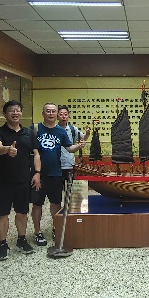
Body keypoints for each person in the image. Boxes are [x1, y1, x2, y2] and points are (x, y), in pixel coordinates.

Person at [0, 101, 41, 261]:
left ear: (21, 113)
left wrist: (37, 172)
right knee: (2, 214)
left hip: (23, 180)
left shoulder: (28, 133)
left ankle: (21, 239)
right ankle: (2, 244)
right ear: (5, 114)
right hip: (3, 181)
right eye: (11, 111)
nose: (15, 113)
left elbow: (36, 153)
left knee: (22, 212)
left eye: (18, 110)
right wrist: (7, 149)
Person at [31, 103, 85, 246]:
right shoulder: (35, 129)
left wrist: (79, 145)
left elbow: (69, 148)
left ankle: (56, 228)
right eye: (48, 111)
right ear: (43, 113)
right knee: (37, 204)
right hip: (38, 174)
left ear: (56, 114)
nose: (51, 114)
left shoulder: (61, 131)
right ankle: (37, 232)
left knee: (56, 203)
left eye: (53, 111)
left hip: (56, 173)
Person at [57, 105, 90, 185]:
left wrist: (87, 134)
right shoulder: (54, 129)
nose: (63, 116)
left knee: (70, 188)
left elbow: (83, 139)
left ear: (69, 116)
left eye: (65, 114)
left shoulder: (72, 129)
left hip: (69, 163)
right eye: (61, 114)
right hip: (56, 164)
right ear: (57, 116)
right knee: (57, 188)